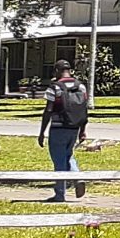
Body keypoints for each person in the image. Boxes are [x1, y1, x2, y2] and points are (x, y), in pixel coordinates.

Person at [36, 60, 89, 201]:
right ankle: (77, 178)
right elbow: (84, 110)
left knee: (59, 160)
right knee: (68, 155)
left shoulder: (55, 88)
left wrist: (42, 132)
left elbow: (48, 111)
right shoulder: (81, 87)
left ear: (57, 71)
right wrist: (82, 131)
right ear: (70, 70)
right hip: (74, 127)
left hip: (58, 128)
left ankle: (60, 194)